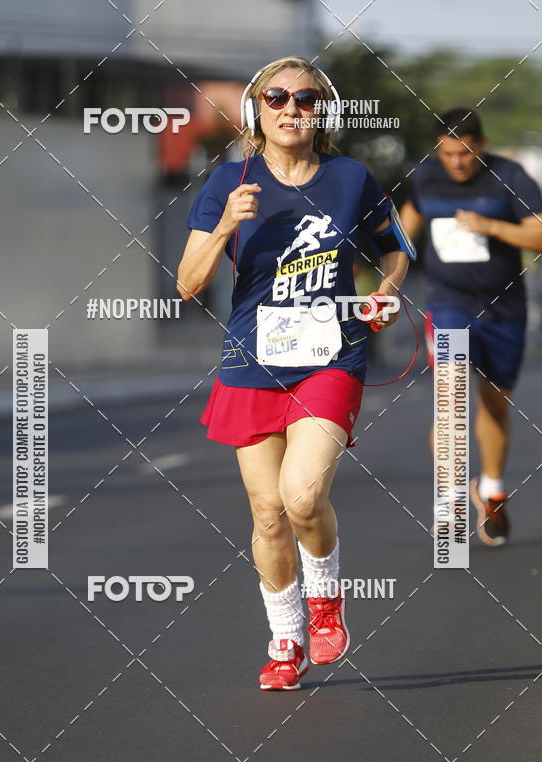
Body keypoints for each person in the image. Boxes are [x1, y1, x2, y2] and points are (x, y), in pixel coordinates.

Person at [177, 56, 410, 690]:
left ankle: (325, 599)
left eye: (305, 99)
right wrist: (226, 223)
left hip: (331, 356)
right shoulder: (227, 182)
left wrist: (386, 292)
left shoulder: (350, 177)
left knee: (302, 496)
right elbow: (187, 284)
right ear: (256, 109)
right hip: (251, 361)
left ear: (321, 111)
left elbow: (396, 247)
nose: (290, 108)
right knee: (267, 513)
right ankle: (286, 641)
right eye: (276, 97)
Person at [400, 109, 542, 546]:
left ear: (481, 144)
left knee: (494, 405)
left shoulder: (510, 176)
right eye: (447, 153)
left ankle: (492, 490)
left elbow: (538, 235)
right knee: (451, 399)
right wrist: (386, 283)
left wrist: (491, 226)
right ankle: (450, 501)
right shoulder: (425, 178)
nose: (457, 163)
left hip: (504, 310)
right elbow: (402, 235)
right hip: (449, 306)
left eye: (464, 153)